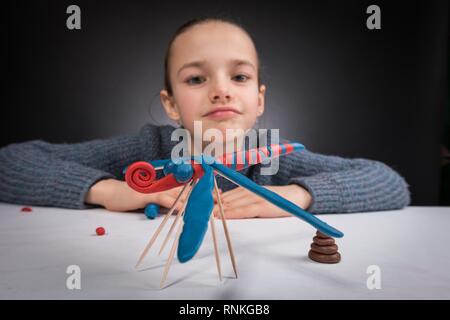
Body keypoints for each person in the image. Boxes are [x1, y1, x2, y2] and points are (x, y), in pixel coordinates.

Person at [0, 17, 410, 218]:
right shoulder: (149, 149)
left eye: (240, 76)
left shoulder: (269, 157)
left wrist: (296, 197)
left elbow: (388, 183)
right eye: (196, 78)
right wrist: (109, 192)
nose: (221, 89)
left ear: (259, 99)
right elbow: (10, 163)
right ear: (172, 104)